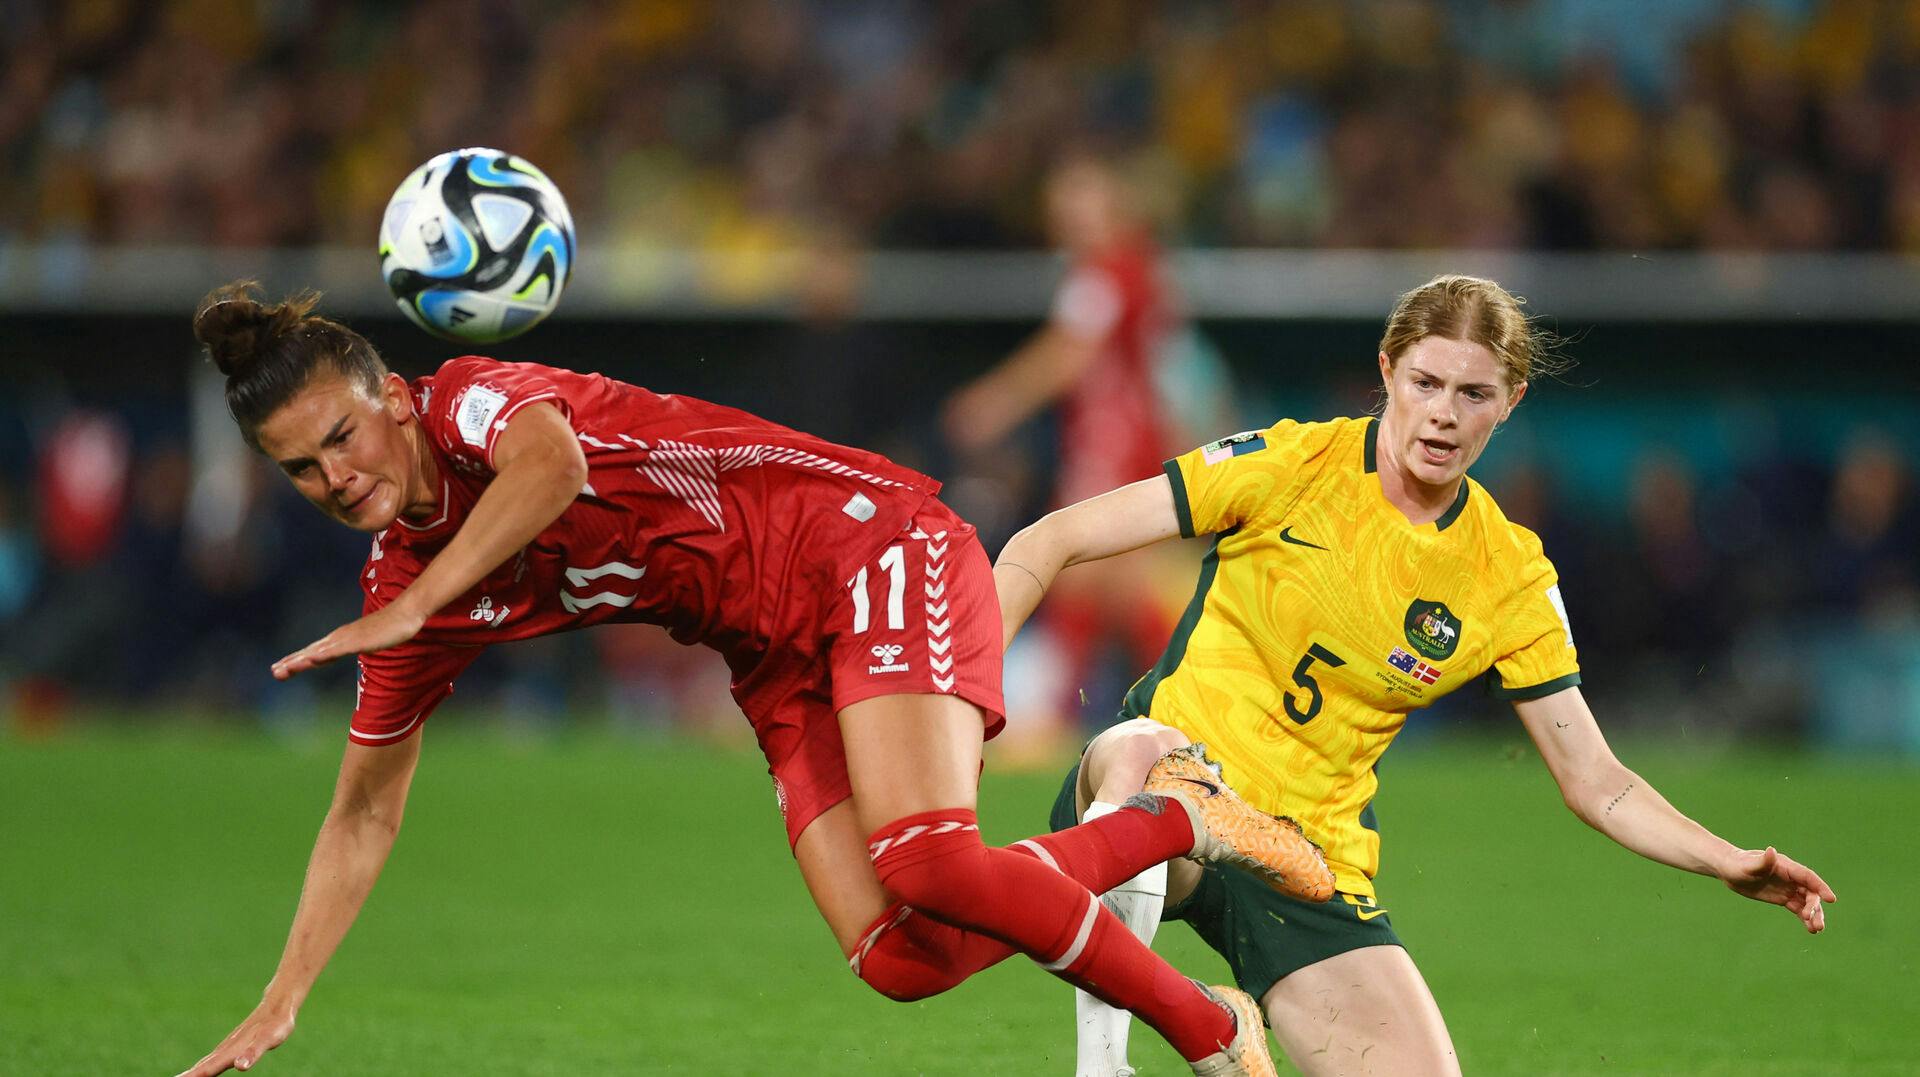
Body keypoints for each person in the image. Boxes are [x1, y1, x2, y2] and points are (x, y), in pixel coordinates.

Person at [173, 281, 1335, 1077]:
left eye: (341, 436)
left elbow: (553, 463)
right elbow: (363, 811)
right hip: (772, 654)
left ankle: (1206, 1033)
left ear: (388, 396)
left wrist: (420, 599)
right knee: (900, 958)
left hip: (869, 545)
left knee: (926, 858)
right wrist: (284, 998)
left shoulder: (473, 400)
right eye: (299, 467)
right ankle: (1176, 820)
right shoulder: (407, 587)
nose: (334, 475)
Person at [992, 274, 1839, 1077]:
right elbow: (1045, 543)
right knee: (1145, 754)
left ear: (1510, 404)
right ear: (1388, 371)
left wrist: (1726, 858)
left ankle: (1231, 1007)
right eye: (1427, 383)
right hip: (1161, 789)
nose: (1443, 415)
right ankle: (1121, 1060)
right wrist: (965, 706)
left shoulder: (1507, 573)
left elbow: (1596, 780)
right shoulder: (1291, 464)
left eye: (1474, 395)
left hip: (1305, 857)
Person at [942, 152, 1181, 738]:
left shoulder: (1104, 274)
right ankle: (1175, 716)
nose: (1069, 213)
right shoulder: (1135, 269)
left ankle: (1056, 715)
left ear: (1113, 204)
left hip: (1112, 445)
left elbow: (1068, 354)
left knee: (1082, 572)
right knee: (1111, 584)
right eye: (1061, 203)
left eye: (1082, 198)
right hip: (1122, 439)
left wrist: (994, 401)